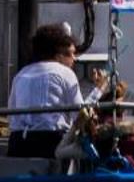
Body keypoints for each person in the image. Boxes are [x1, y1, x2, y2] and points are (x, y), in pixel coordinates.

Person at [7, 22, 82, 158]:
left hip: (18, 143)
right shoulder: (66, 73)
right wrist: (99, 90)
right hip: (51, 142)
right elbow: (80, 115)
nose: (74, 59)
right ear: (58, 55)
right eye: (70, 54)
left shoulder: (20, 74)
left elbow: (12, 116)